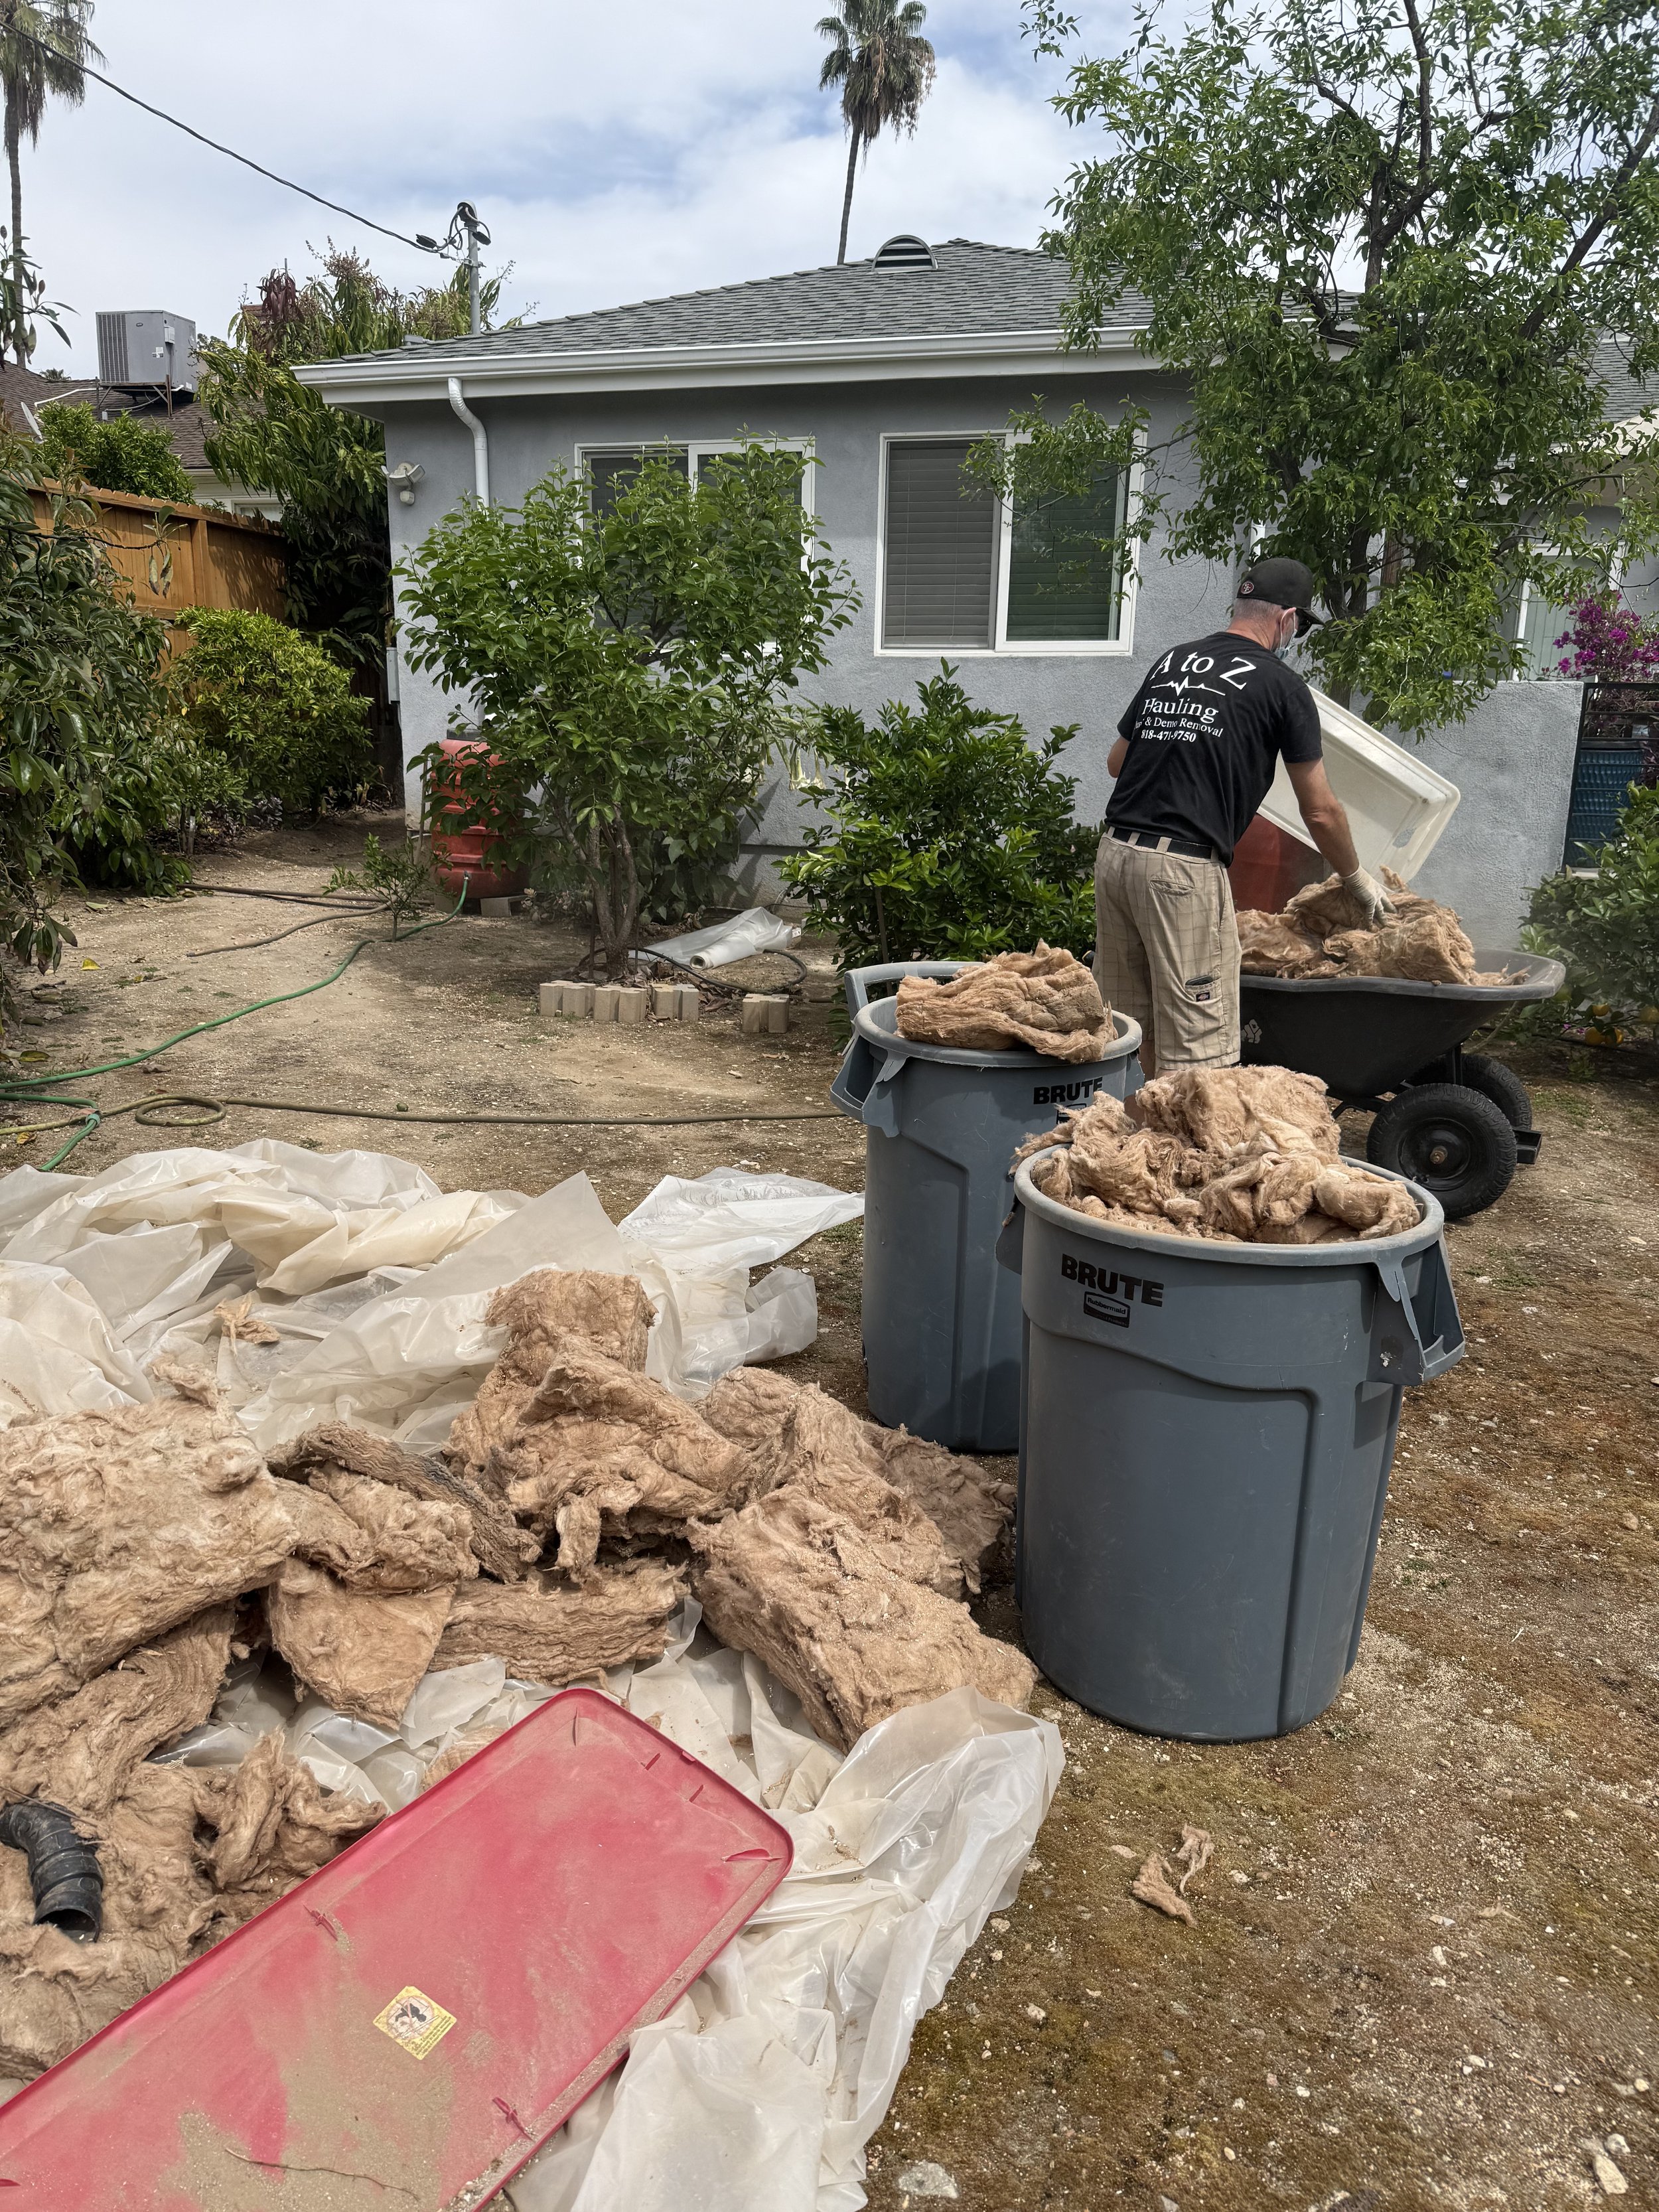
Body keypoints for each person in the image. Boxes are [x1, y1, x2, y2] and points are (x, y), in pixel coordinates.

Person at [1094, 555, 1391, 1076]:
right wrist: (1357, 878)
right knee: (1197, 1046)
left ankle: (1126, 1139)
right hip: (1181, 872)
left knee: (1126, 1027)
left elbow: (1117, 763)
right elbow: (1320, 811)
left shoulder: (1172, 661)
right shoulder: (1283, 687)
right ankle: (1184, 1152)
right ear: (1288, 618)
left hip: (1116, 855)